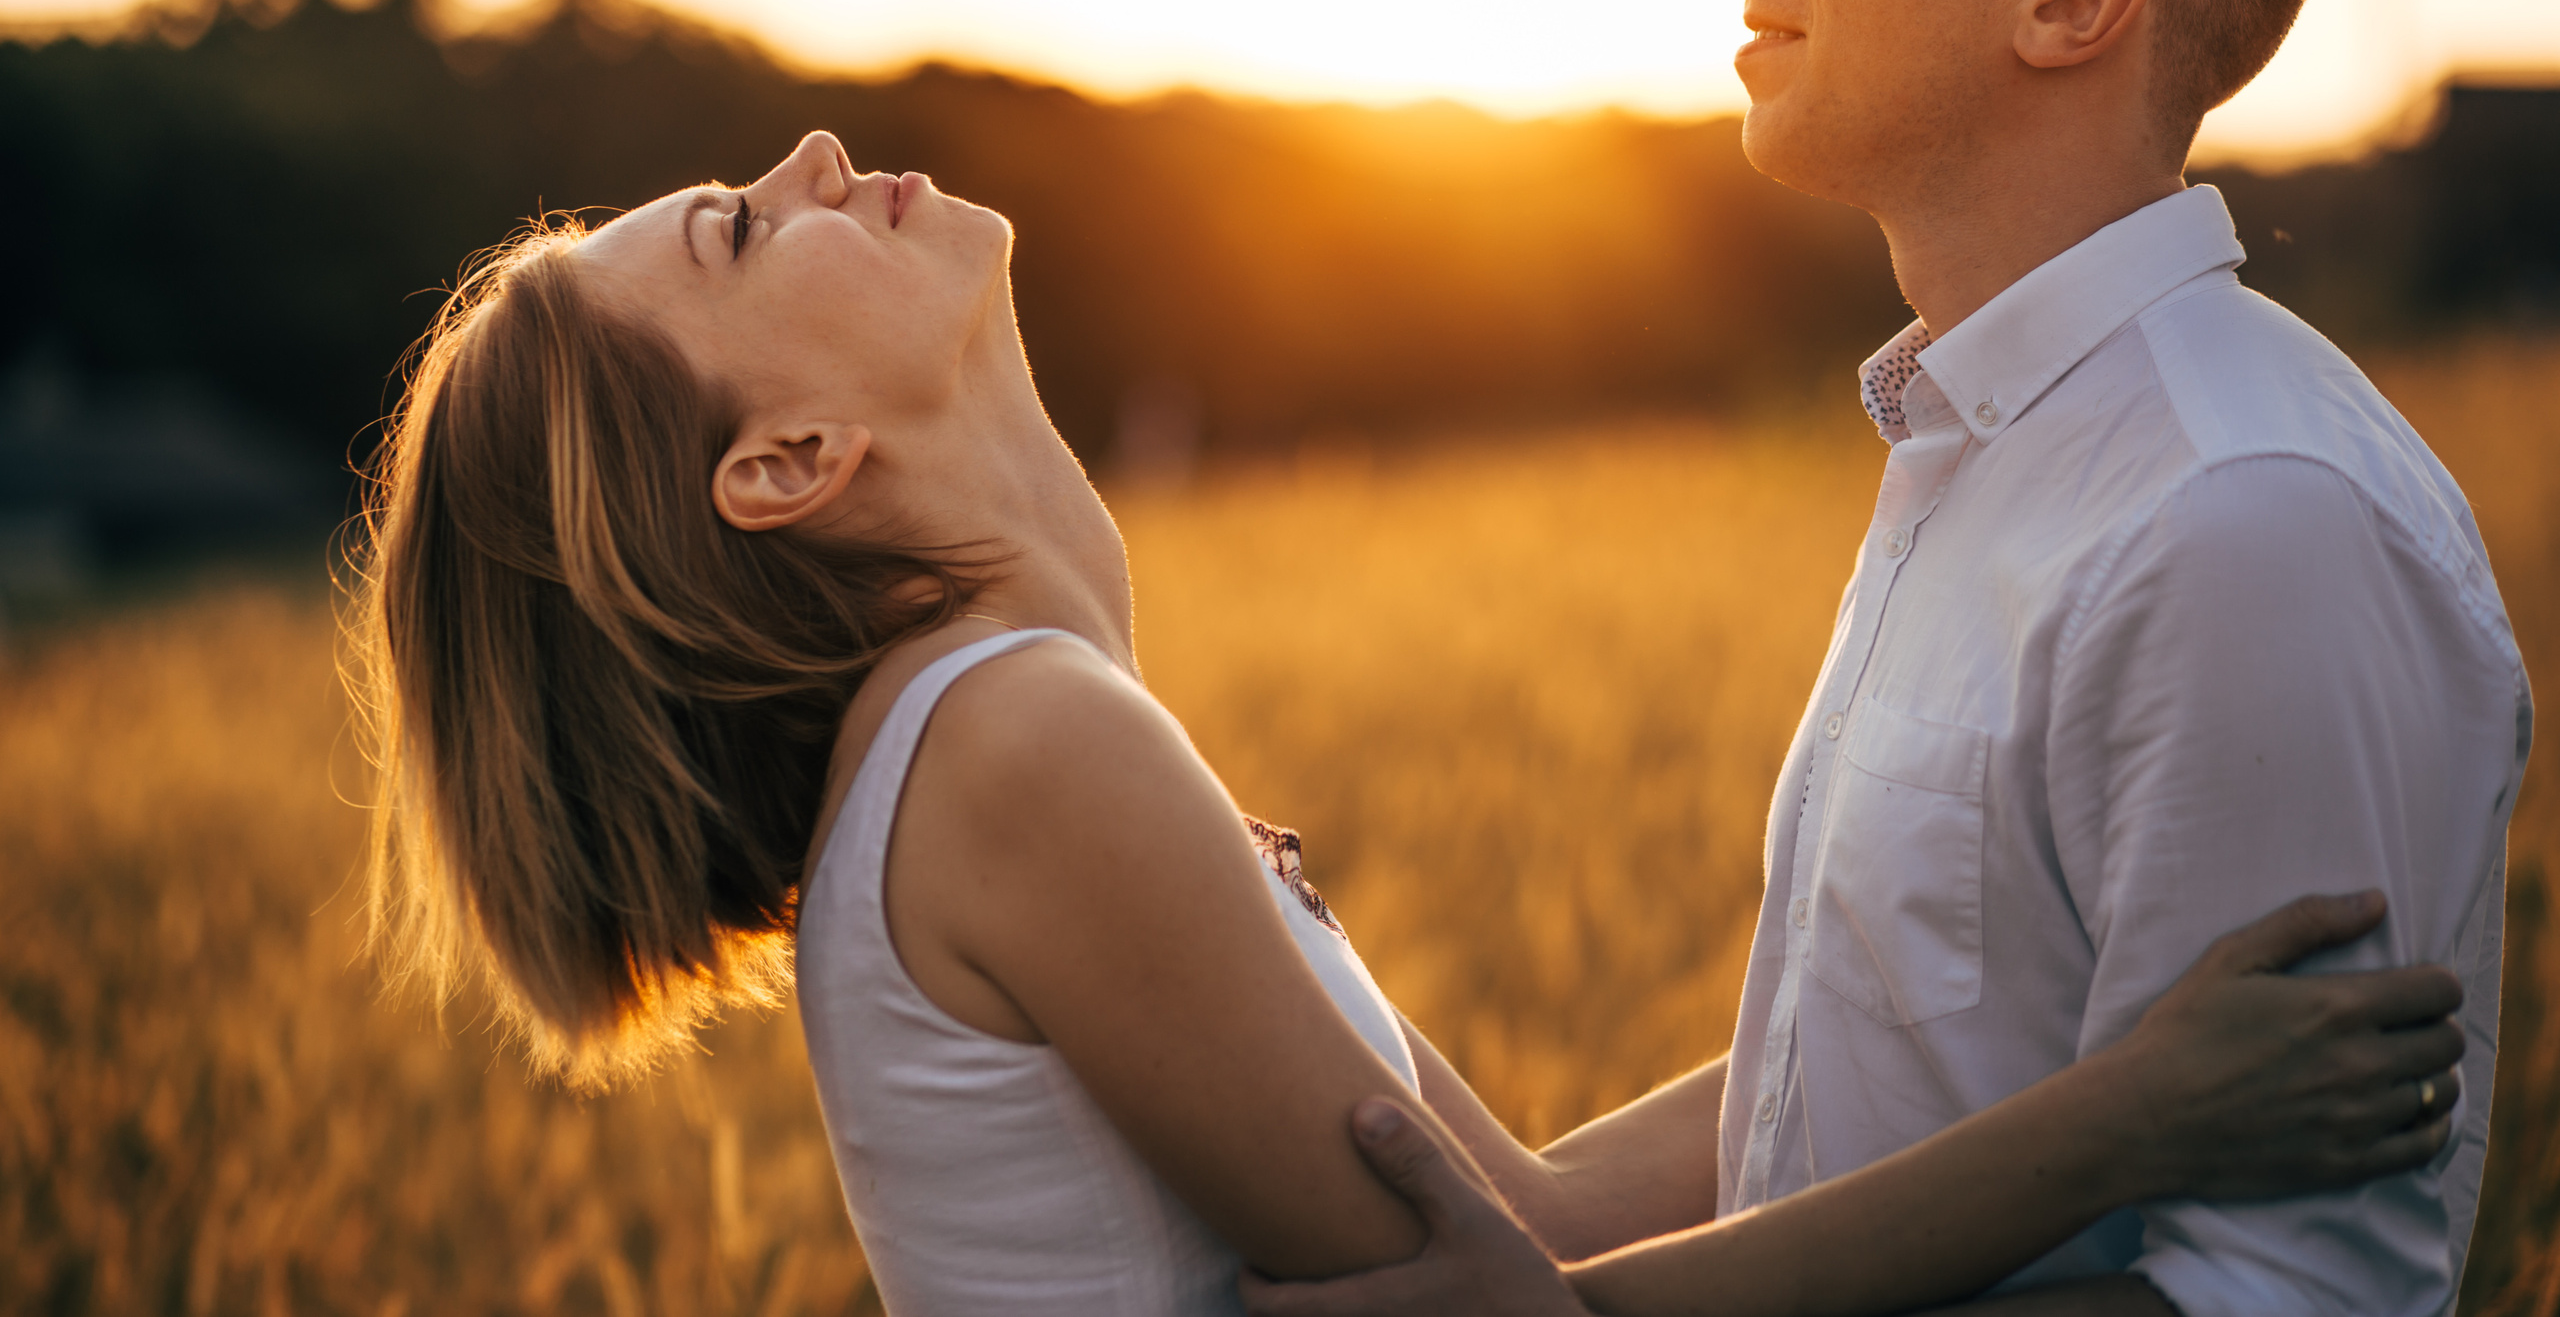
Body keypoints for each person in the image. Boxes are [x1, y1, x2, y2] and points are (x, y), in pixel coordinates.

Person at [351, 125, 2470, 1316]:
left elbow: (1528, 1220)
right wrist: (2129, 1116)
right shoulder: (1010, 751)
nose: (813, 155)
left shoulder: (995, 737)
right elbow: (1521, 1313)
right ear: (788, 460)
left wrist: (2004, 995)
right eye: (742, 228)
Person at [1246, 0, 2531, 1317]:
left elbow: (2283, 1303)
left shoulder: (2249, 518)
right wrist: (1533, 1218)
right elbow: (1892, 1050)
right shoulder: (1990, 442)